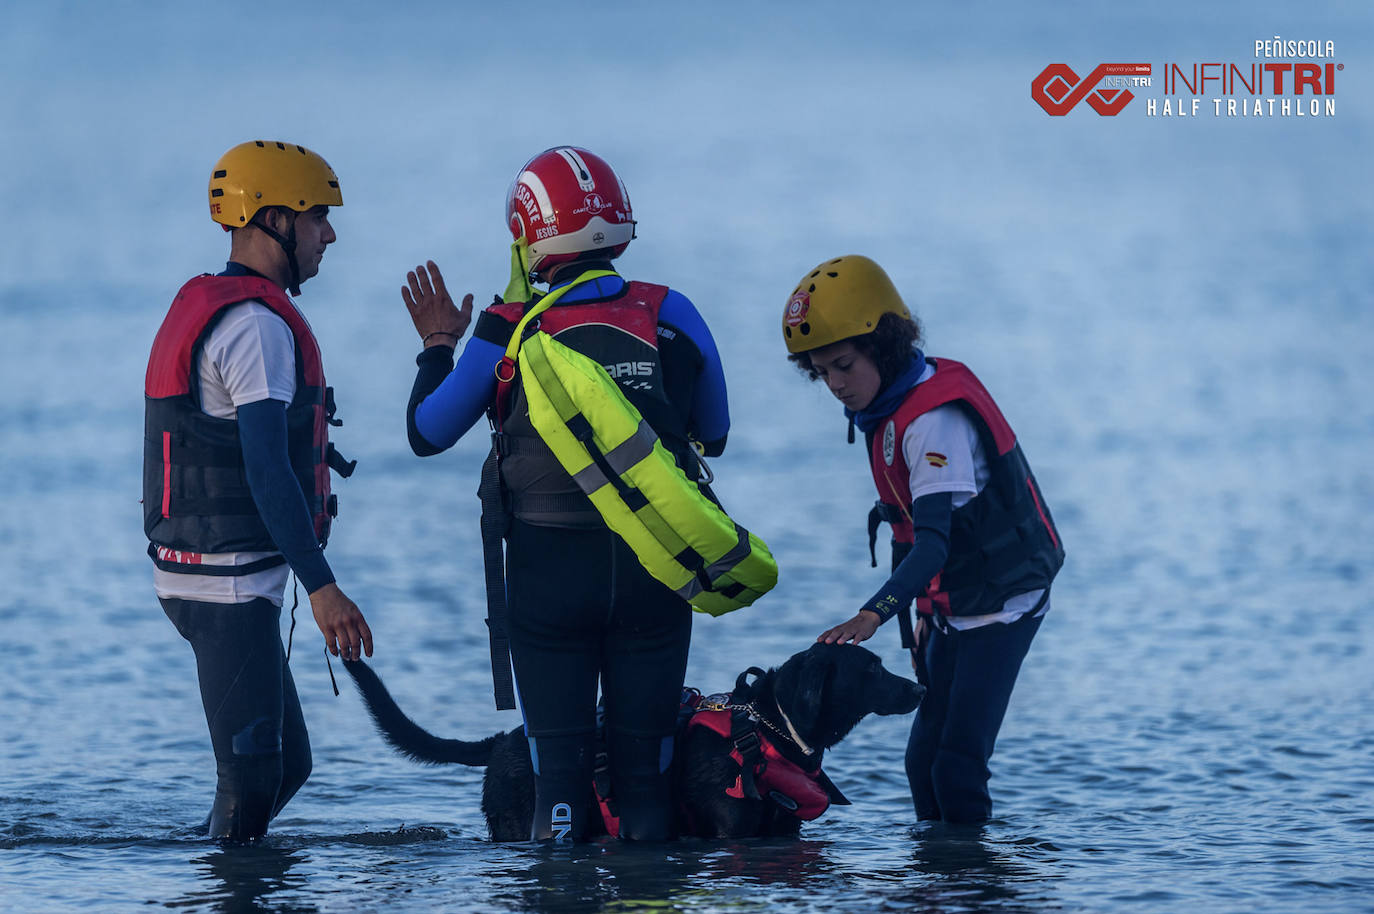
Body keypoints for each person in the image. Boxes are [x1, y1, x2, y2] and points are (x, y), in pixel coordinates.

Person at [401, 146, 731, 841]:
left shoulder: (506, 329)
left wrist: (438, 344)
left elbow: (428, 432)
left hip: (550, 578)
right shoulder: (675, 313)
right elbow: (716, 433)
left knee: (561, 782)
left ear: (528, 237)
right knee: (647, 781)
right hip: (656, 571)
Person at [143, 140, 373, 844]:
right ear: (273, 220)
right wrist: (322, 586)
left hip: (213, 574)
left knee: (285, 766)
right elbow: (269, 470)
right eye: (317, 218)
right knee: (251, 782)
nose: (329, 235)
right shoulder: (254, 327)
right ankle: (222, 882)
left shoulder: (227, 308)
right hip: (227, 582)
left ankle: (217, 858)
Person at [782, 255, 1063, 824]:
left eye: (843, 366)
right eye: (822, 373)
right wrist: (922, 618)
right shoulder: (887, 406)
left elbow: (934, 543)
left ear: (882, 348)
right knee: (921, 763)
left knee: (957, 765)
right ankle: (935, 889)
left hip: (1003, 604)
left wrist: (874, 615)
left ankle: (974, 888)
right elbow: (908, 527)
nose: (835, 385)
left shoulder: (935, 422)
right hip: (953, 606)